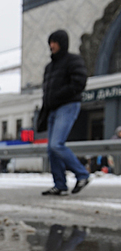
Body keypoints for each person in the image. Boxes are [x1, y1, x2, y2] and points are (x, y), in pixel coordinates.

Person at [37, 30, 90, 196]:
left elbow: (80, 81)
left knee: (56, 144)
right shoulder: (49, 67)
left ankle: (82, 174)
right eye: (50, 42)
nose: (52, 46)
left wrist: (61, 95)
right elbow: (47, 92)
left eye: (55, 42)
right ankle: (59, 184)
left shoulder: (73, 60)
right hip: (52, 109)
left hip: (68, 105)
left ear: (62, 43)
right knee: (51, 150)